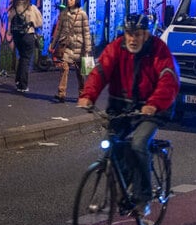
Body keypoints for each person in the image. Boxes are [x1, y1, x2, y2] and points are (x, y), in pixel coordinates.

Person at [77, 13, 180, 214]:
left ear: (146, 35)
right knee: (111, 146)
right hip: (122, 109)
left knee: (139, 143)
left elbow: (169, 79)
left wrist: (153, 104)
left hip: (152, 109)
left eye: (138, 34)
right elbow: (100, 71)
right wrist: (88, 96)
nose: (133, 39)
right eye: (129, 34)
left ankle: (143, 197)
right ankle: (125, 187)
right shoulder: (116, 48)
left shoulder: (159, 50)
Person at [50, 0, 92, 103]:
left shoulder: (82, 14)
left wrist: (87, 49)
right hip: (66, 45)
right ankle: (61, 93)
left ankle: (83, 93)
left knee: (81, 73)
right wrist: (53, 45)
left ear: (76, 1)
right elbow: (58, 31)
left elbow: (86, 32)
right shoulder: (64, 14)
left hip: (79, 47)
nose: (69, 1)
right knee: (64, 68)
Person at [7, 0, 42, 93]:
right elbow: (39, 22)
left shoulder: (14, 7)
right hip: (28, 35)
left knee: (22, 58)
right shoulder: (32, 8)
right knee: (26, 60)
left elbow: (10, 20)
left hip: (17, 36)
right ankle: (23, 85)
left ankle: (18, 82)